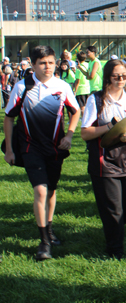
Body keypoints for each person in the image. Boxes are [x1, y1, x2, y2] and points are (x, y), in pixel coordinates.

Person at [3, 45, 80, 260]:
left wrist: (70, 135)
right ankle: (44, 242)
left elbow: (75, 111)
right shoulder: (21, 87)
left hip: (55, 148)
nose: (48, 67)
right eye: (42, 63)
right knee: (41, 191)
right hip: (30, 147)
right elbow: (9, 117)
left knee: (52, 190)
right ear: (34, 65)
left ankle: (49, 229)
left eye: (51, 62)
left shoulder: (62, 86)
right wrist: (9, 149)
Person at [80, 59, 126, 260]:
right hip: (103, 162)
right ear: (108, 77)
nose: (121, 80)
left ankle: (112, 227)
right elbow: (85, 133)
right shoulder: (96, 100)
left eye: (124, 76)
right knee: (113, 209)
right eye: (116, 76)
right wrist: (110, 128)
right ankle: (114, 251)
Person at [73, 51, 90, 116]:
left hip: (81, 90)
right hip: (88, 88)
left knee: (82, 106)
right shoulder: (88, 65)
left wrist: (75, 91)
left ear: (77, 58)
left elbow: (78, 81)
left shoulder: (78, 68)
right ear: (85, 58)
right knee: (88, 105)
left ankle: (84, 119)